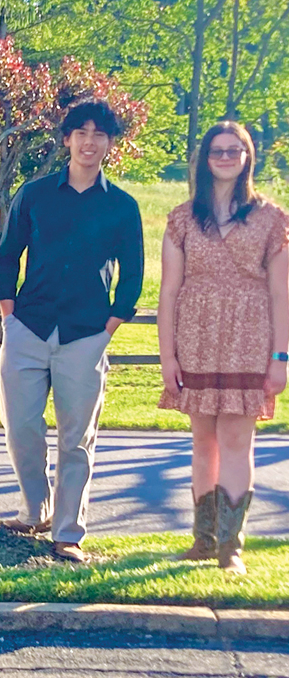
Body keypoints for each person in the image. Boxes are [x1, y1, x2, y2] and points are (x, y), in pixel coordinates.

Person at [0, 100, 144, 563]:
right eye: (81, 132)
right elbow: (6, 255)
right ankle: (34, 509)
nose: (89, 142)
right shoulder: (34, 194)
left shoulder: (121, 206)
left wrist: (109, 328)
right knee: (21, 429)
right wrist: (9, 315)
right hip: (29, 328)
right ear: (66, 139)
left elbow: (133, 273)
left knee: (77, 439)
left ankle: (67, 532)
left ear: (109, 144)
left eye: (100, 134)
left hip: (84, 335)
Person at [157, 121, 286, 575]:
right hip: (195, 337)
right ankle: (203, 539)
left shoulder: (272, 219)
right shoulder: (182, 218)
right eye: (218, 150)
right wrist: (167, 355)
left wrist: (281, 356)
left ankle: (232, 546)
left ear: (248, 157)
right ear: (204, 159)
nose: (227, 157)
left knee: (236, 440)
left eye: (235, 150)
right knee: (202, 443)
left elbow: (281, 294)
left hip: (250, 338)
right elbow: (169, 292)